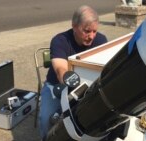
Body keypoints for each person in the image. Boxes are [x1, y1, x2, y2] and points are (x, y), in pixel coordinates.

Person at [39, 5, 108, 141]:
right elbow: (60, 69)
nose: (91, 37)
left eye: (94, 31)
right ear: (74, 26)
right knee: (46, 118)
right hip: (56, 86)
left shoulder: (101, 40)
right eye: (87, 31)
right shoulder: (60, 40)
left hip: (89, 87)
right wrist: (69, 81)